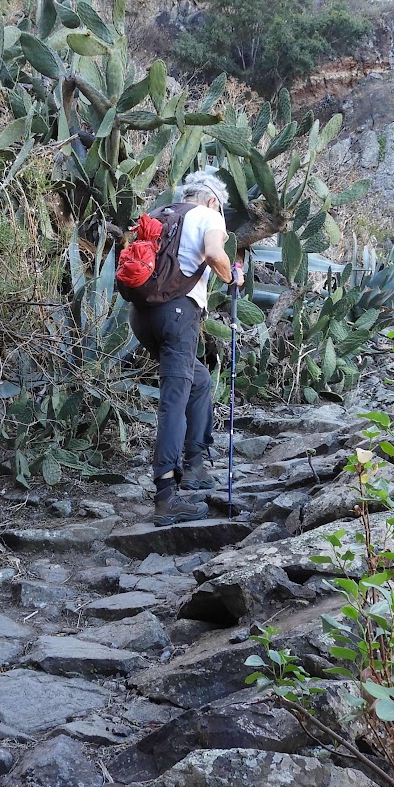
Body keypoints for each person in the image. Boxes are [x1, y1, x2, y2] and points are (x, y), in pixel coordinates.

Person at [129, 169, 243, 526]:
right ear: (213, 200)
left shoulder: (163, 212)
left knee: (198, 380)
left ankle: (194, 463)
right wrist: (231, 276)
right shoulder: (208, 215)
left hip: (141, 315)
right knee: (173, 400)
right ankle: (166, 496)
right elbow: (213, 252)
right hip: (178, 314)